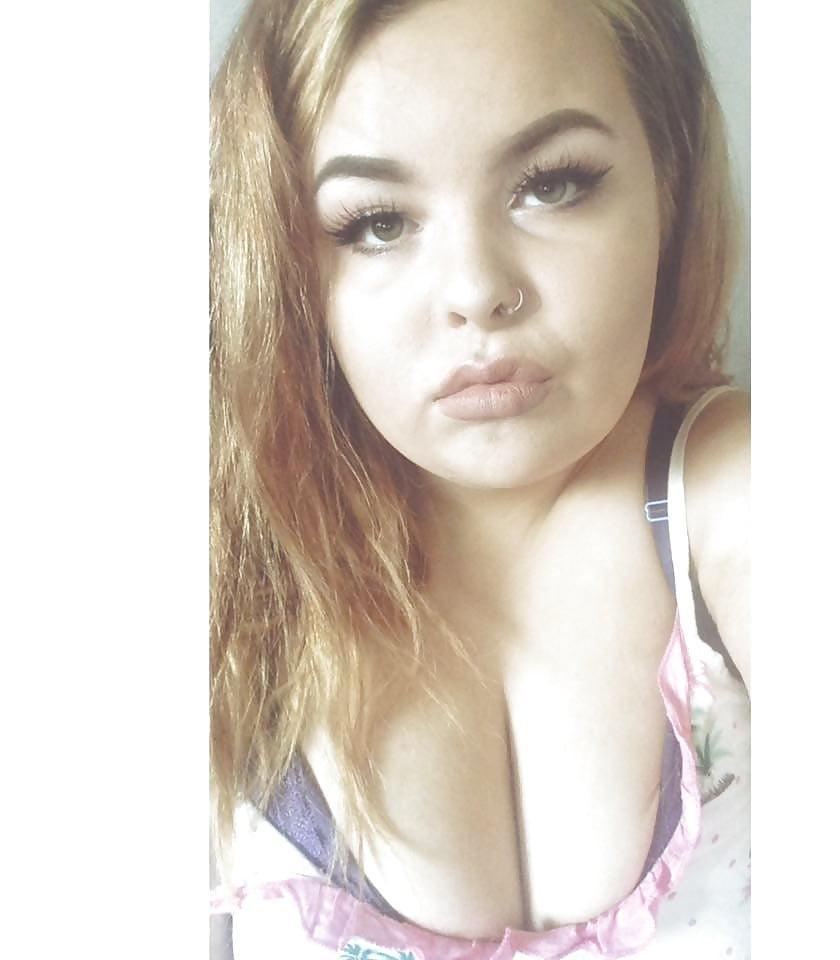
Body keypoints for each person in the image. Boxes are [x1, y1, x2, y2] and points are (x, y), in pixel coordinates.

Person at [209, 0, 750, 956]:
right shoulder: (224, 565)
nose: (475, 291)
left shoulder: (736, 487)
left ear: (667, 181)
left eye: (552, 185)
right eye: (377, 223)